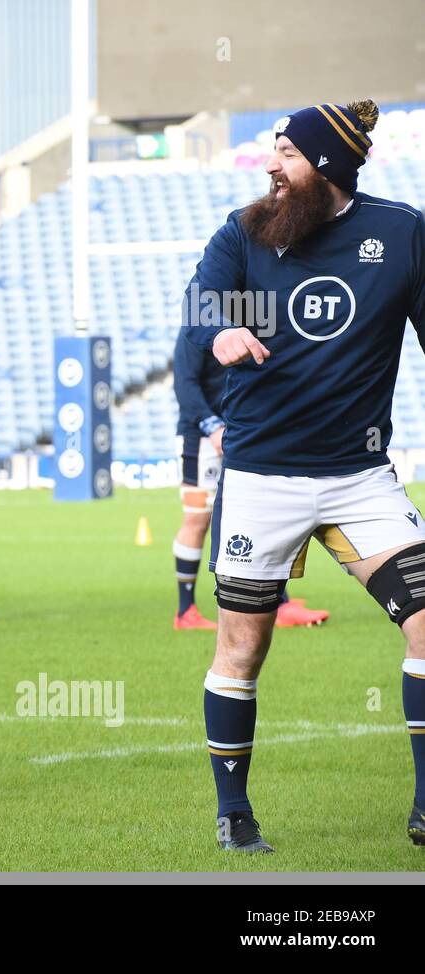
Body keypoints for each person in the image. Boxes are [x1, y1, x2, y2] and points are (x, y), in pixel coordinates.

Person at [182, 100, 425, 851]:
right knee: (242, 649)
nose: (270, 166)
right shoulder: (246, 231)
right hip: (262, 478)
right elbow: (198, 309)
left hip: (360, 479)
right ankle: (234, 812)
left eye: (285, 153)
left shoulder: (401, 233)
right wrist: (219, 330)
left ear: (327, 166)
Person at [171, 328, 330, 630]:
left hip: (245, 433)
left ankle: (279, 602)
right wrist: (212, 426)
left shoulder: (258, 322)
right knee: (197, 519)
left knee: (263, 514)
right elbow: (185, 384)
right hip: (200, 438)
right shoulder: (198, 329)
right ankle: (185, 610)